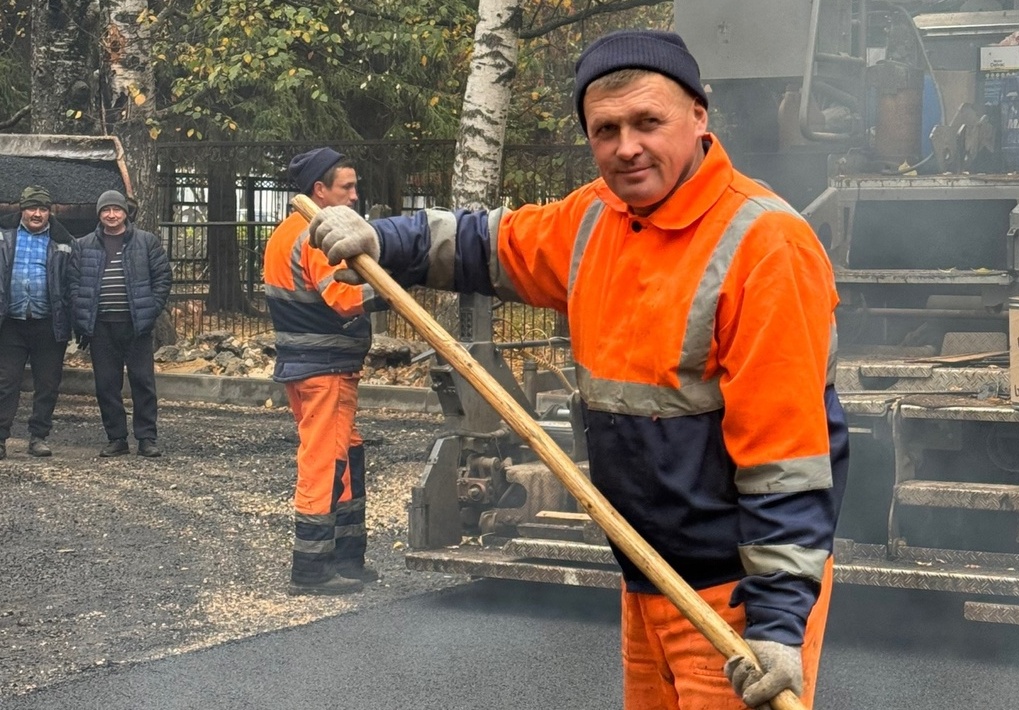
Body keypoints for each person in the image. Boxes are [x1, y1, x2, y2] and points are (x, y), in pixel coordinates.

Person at [308, 30, 850, 710]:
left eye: (648, 122)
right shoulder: (595, 218)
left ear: (699, 116)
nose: (627, 146)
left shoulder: (766, 247)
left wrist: (776, 628)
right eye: (607, 129)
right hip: (650, 575)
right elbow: (487, 244)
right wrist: (382, 238)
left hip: (732, 600)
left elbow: (787, 458)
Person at [263, 147, 387, 596]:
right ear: (320, 190)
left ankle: (346, 558)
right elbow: (345, 299)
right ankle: (312, 568)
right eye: (346, 187)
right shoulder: (318, 236)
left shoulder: (287, 232)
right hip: (325, 368)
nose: (354, 196)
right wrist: (390, 289)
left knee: (345, 456)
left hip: (311, 365)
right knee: (323, 462)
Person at [71, 190, 173, 457]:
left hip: (136, 324)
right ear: (99, 214)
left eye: (117, 210)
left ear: (126, 213)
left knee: (143, 382)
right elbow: (74, 284)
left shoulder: (146, 241)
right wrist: (82, 318)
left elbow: (162, 277)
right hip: (101, 326)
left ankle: (147, 438)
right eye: (106, 210)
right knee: (106, 384)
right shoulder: (83, 245)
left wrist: (151, 309)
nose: (112, 215)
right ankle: (116, 438)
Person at [0, 185, 76, 459]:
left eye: (43, 209)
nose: (37, 213)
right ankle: (0, 439)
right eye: (32, 208)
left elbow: (73, 283)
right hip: (10, 323)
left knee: (47, 384)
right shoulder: (3, 235)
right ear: (22, 209)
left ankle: (38, 437)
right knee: (6, 383)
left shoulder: (63, 240)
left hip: (48, 323)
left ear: (49, 212)